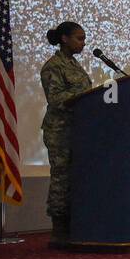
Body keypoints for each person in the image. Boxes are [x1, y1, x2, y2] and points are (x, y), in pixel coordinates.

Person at [41, 21, 93, 245]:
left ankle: (76, 223)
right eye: (79, 38)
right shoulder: (54, 66)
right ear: (64, 39)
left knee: (76, 177)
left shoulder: (74, 64)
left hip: (78, 129)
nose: (83, 43)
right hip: (60, 131)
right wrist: (83, 97)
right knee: (62, 178)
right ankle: (59, 229)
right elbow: (55, 99)